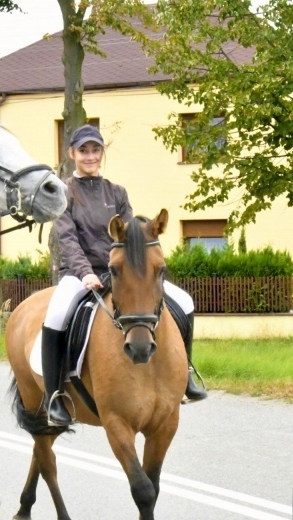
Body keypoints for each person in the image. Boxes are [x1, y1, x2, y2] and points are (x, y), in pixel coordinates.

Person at [41, 124, 207, 427]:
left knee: (183, 301)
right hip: (81, 274)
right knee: (57, 314)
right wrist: (85, 273)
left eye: (95, 150)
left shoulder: (116, 192)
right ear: (72, 154)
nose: (90, 156)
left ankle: (186, 375)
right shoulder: (64, 192)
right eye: (83, 151)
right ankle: (54, 396)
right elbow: (67, 240)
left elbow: (132, 237)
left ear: (102, 153)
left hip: (121, 273)